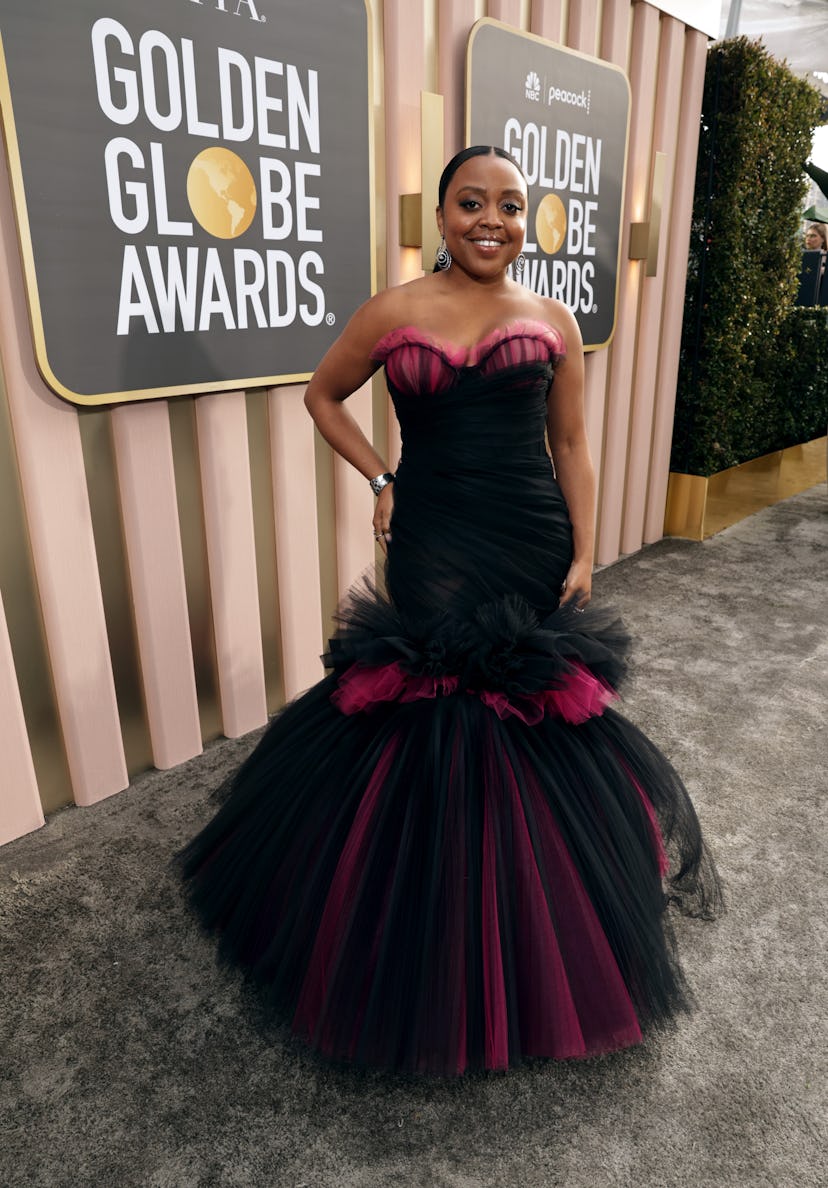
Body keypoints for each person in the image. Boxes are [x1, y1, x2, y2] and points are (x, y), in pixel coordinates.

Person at [179, 146, 722, 1076]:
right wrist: (382, 475)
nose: (492, 221)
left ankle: (537, 926)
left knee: (530, 710)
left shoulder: (552, 320)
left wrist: (587, 551)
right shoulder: (394, 311)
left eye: (511, 206)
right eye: (472, 202)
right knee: (431, 703)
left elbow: (574, 443)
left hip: (528, 531)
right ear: (440, 214)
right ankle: (429, 921)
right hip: (432, 531)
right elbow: (321, 395)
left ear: (525, 222)